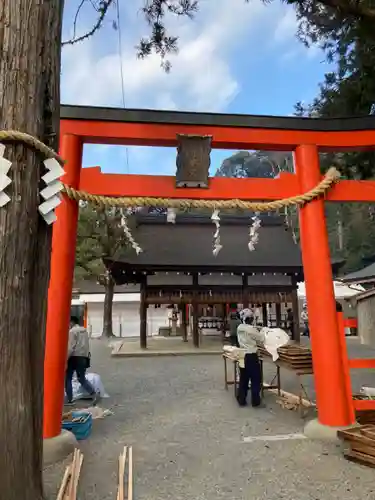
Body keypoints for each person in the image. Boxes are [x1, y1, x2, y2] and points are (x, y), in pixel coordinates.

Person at [65, 316, 99, 406]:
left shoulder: (72, 332)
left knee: (68, 378)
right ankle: (93, 393)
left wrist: (66, 359)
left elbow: (70, 347)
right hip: (84, 357)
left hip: (74, 357)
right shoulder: (84, 330)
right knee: (81, 378)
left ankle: (70, 400)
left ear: (71, 322)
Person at [236, 313, 265, 408]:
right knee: (255, 378)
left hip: (242, 355)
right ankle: (255, 401)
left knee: (244, 378)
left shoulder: (239, 327)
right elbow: (261, 338)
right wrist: (260, 331)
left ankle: (241, 400)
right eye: (252, 318)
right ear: (249, 319)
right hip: (251, 355)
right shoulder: (251, 329)